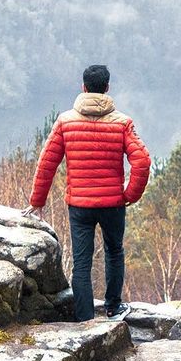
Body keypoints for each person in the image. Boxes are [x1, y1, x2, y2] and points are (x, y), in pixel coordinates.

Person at [24, 64, 151, 321]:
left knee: (82, 261)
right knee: (114, 251)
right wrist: (129, 195)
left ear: (83, 87)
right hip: (112, 204)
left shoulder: (65, 121)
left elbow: (47, 161)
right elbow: (142, 162)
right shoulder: (122, 123)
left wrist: (37, 200)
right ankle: (114, 307)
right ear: (107, 88)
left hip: (80, 206)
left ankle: (85, 319)